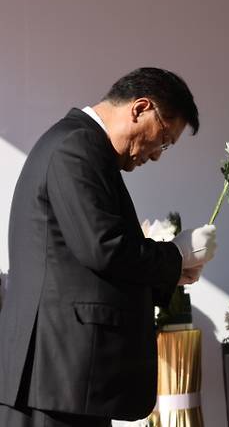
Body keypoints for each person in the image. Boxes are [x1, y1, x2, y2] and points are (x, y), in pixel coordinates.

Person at [0, 67, 217, 426]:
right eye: (164, 139)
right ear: (140, 108)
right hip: (55, 375)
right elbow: (105, 246)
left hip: (61, 378)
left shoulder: (80, 144)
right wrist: (175, 255)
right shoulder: (77, 147)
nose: (158, 154)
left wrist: (169, 274)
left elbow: (80, 259)